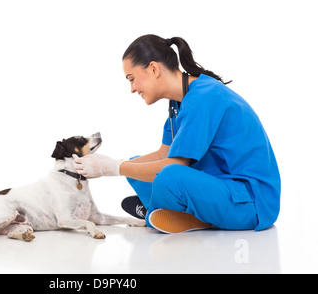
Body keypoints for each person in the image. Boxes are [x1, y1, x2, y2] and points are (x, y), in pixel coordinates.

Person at [73, 34, 281, 233]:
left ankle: (166, 214)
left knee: (169, 175)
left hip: (250, 202)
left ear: (153, 68)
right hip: (219, 186)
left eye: (132, 78)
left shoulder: (204, 96)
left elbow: (174, 165)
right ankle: (170, 212)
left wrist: (114, 168)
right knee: (136, 166)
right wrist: (115, 164)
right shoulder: (178, 103)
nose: (132, 88)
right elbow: (164, 153)